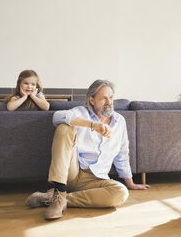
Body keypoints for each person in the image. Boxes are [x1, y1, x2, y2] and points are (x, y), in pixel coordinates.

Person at [25, 79, 149, 220]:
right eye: (103, 98)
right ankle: (59, 190)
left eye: (111, 97)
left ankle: (57, 198)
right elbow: (57, 116)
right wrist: (93, 125)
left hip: (95, 181)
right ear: (92, 100)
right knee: (64, 128)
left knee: (121, 193)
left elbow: (122, 154)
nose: (108, 102)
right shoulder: (81, 112)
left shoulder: (119, 121)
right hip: (72, 173)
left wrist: (130, 182)